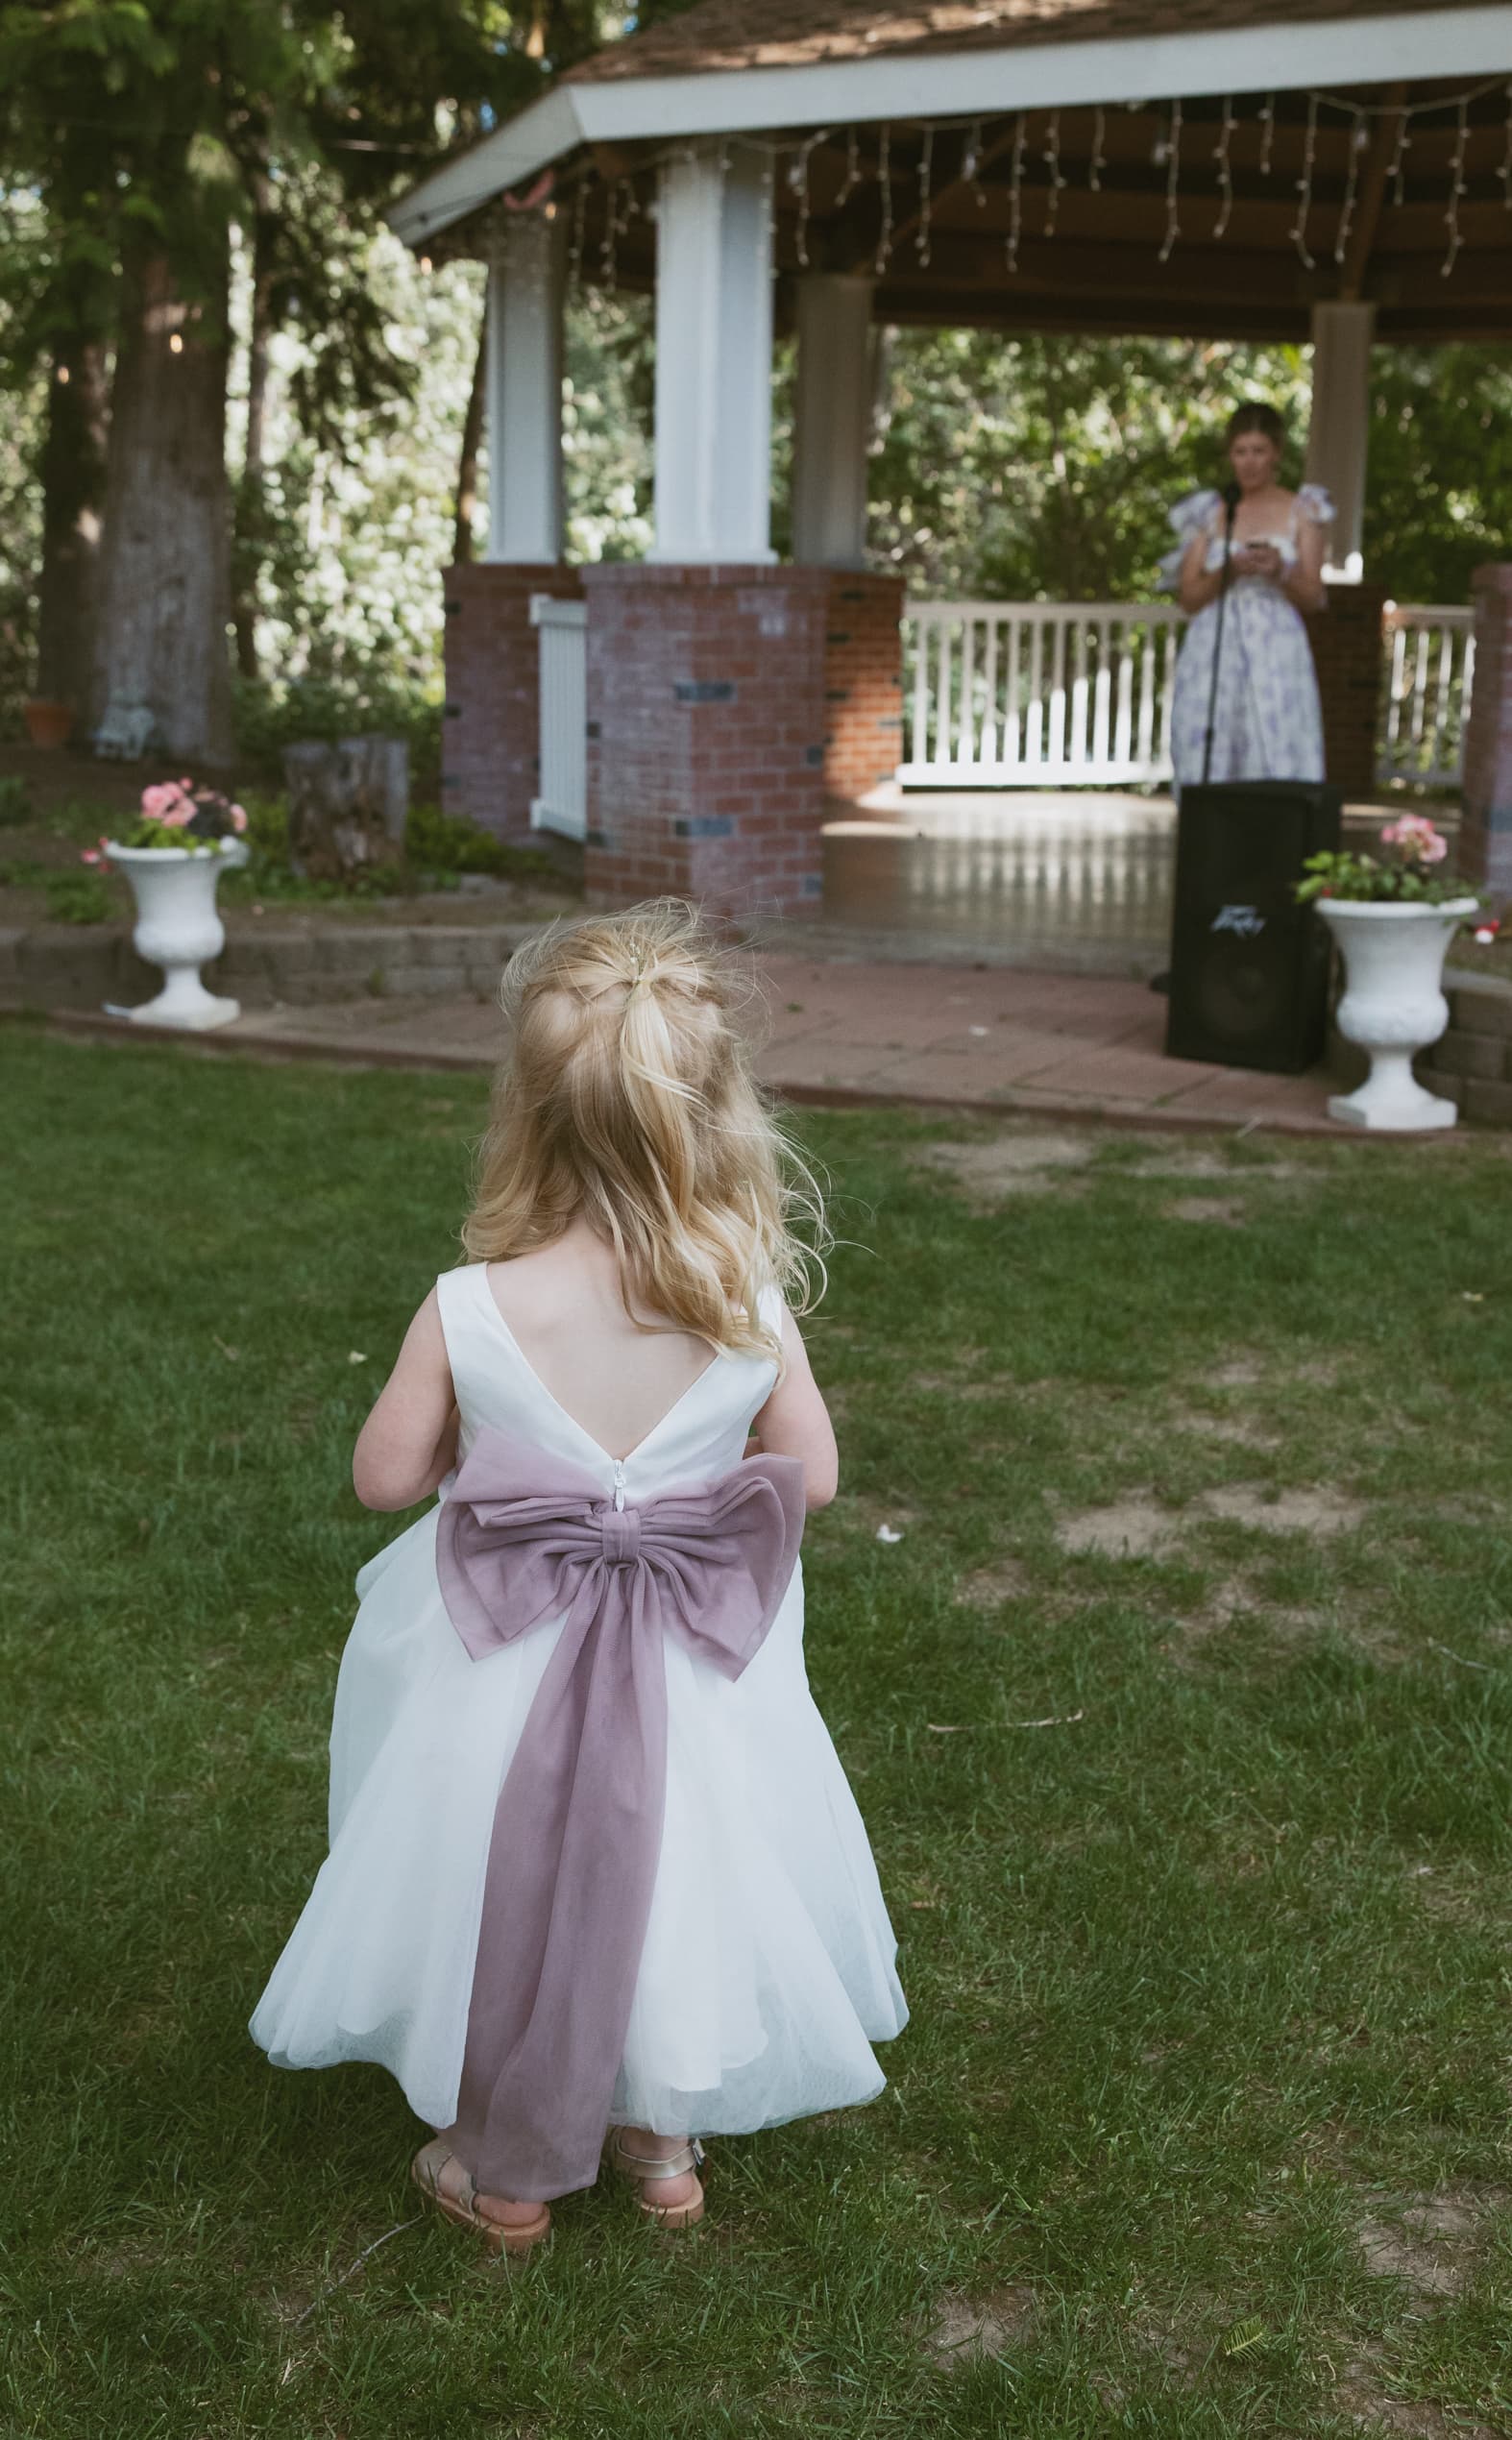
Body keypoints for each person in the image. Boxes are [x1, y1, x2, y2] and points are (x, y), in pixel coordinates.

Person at [250, 901, 907, 2254]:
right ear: (716, 1117)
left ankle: (502, 2168)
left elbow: (385, 1478)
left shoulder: (472, 1305)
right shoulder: (745, 1302)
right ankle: (661, 2146)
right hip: (689, 1648)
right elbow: (816, 1479)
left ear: (531, 1116)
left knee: (502, 1864)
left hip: (506, 1647)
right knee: (679, 1859)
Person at [1166, 401, 1334, 792]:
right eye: (1241, 452)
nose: (1249, 462)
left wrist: (1280, 571)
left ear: (1275, 452)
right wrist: (1228, 570)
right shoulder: (1211, 511)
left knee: (1275, 747)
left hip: (1276, 645)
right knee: (1213, 745)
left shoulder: (1303, 509)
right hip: (1216, 646)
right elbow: (1188, 598)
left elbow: (1314, 597)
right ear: (1230, 455)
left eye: (1258, 451)